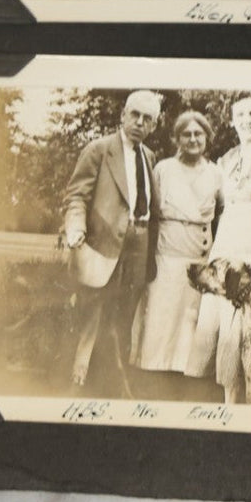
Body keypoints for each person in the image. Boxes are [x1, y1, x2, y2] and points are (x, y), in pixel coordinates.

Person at [188, 97, 251, 404]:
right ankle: (227, 398)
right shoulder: (226, 158)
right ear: (232, 120)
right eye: (241, 114)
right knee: (217, 320)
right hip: (225, 242)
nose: (249, 119)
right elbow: (214, 205)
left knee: (243, 327)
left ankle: (248, 402)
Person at [60, 90, 162, 389]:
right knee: (91, 314)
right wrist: (75, 228)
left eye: (148, 119)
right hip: (101, 246)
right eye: (136, 115)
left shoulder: (150, 156)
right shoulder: (99, 149)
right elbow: (76, 195)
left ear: (154, 125)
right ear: (123, 115)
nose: (140, 122)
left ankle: (112, 381)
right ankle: (75, 382)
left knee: (124, 315)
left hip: (139, 246)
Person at [130, 111, 223, 384]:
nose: (193, 139)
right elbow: (152, 213)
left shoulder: (216, 173)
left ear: (207, 137)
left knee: (190, 319)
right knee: (162, 314)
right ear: (177, 138)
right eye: (186, 134)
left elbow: (222, 211)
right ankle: (153, 372)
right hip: (167, 252)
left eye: (198, 134)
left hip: (199, 255)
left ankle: (188, 374)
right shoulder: (164, 169)